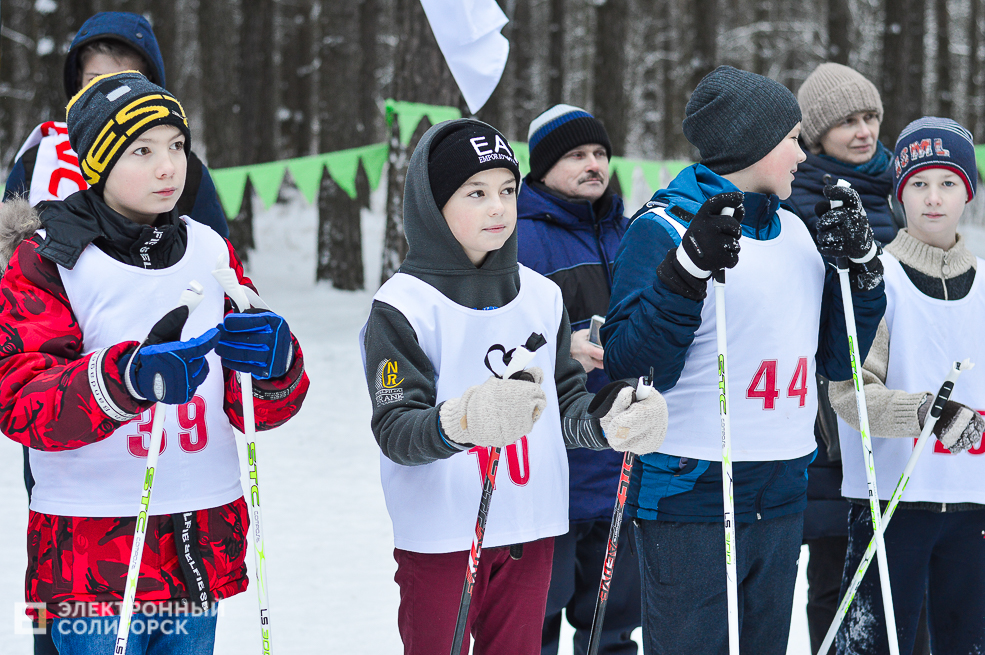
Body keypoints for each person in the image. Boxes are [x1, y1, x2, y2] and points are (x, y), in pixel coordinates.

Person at [0, 72, 308, 654]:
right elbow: (19, 399)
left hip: (198, 535)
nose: (168, 166)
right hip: (89, 551)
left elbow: (256, 406)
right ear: (97, 162)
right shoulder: (51, 260)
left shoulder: (209, 247)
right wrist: (124, 379)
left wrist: (275, 366)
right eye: (143, 151)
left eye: (175, 146)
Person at [601, 66, 887, 655]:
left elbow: (839, 359)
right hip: (692, 490)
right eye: (792, 140)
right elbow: (631, 361)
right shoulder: (663, 226)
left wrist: (862, 272)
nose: (802, 157)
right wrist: (686, 273)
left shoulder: (796, 234)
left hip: (782, 489)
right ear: (751, 146)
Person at [361, 118, 669, 655]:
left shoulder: (542, 295)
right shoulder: (404, 304)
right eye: (476, 193)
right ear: (434, 205)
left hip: (531, 522)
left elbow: (566, 402)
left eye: (507, 190)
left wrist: (609, 421)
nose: (499, 207)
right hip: (443, 530)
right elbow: (395, 428)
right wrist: (462, 421)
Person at [828, 117, 985, 655]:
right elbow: (848, 392)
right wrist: (928, 413)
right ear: (898, 194)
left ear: (968, 190)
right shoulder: (878, 280)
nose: (933, 198)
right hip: (891, 503)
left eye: (947, 182)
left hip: (974, 504)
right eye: (918, 183)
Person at [788, 62, 916, 655]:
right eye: (846, 123)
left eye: (870, 118)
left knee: (902, 568)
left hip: (902, 381)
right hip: (827, 398)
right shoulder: (797, 197)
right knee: (837, 567)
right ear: (815, 134)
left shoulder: (904, 189)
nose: (864, 132)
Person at [514, 104, 640, 655]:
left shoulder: (631, 232)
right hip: (552, 466)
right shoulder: (517, 238)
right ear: (541, 169)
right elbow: (496, 339)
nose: (593, 164)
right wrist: (556, 352)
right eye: (576, 155)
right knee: (532, 625)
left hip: (624, 461)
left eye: (599, 154)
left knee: (613, 627)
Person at [3, 11, 229, 238]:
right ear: (77, 83)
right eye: (96, 81)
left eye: (127, 80)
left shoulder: (182, 170)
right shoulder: (39, 160)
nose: (111, 96)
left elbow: (217, 259)